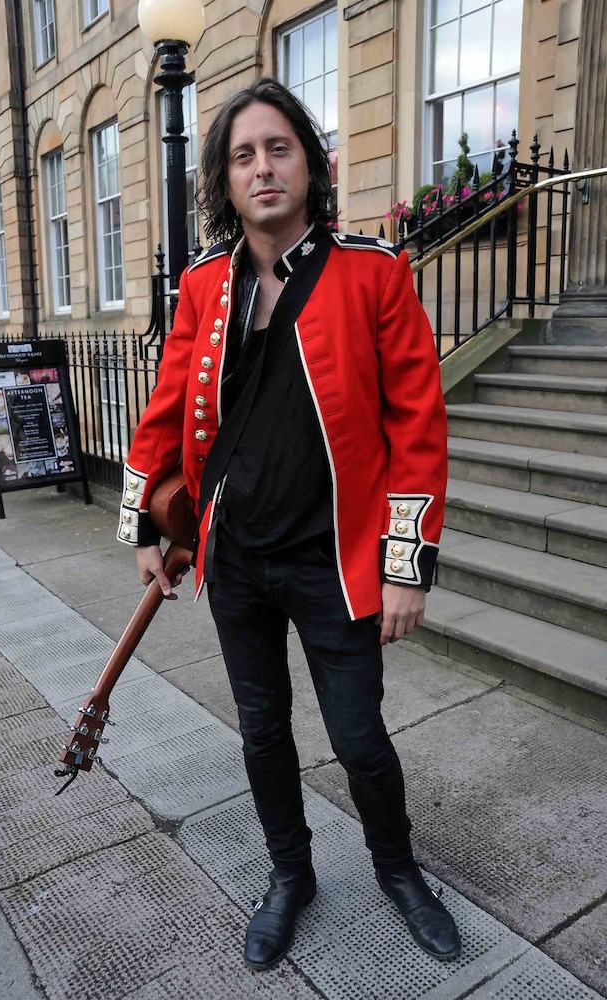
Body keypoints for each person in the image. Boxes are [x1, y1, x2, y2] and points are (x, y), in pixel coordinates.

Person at [118, 77, 458, 969]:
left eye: (278, 148)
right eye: (243, 156)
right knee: (262, 733)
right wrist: (144, 528)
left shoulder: (374, 272)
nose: (262, 167)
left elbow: (417, 426)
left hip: (333, 560)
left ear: (311, 163)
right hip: (236, 560)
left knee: (359, 741)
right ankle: (289, 875)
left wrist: (405, 567)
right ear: (225, 181)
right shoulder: (203, 283)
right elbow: (165, 412)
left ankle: (398, 871)